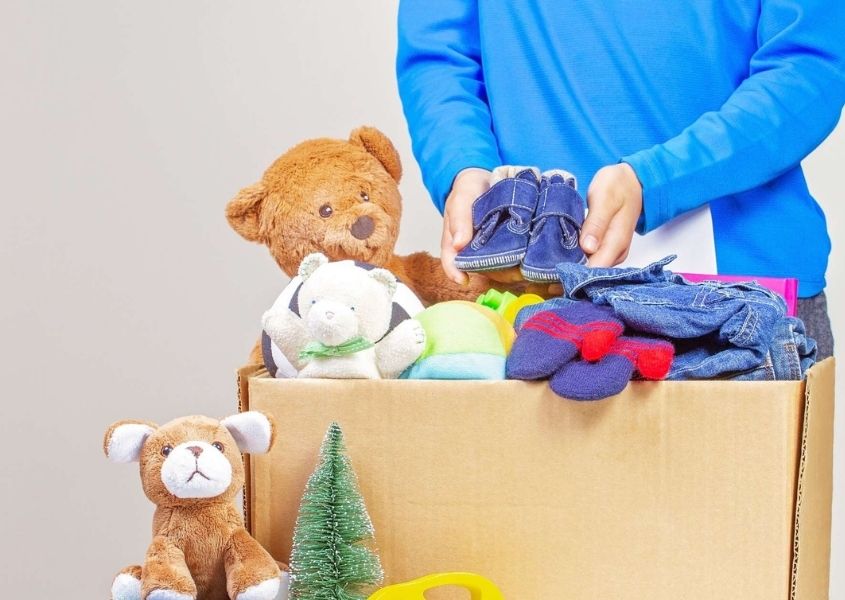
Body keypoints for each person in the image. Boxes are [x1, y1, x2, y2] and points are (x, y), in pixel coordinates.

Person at [396, 0, 844, 360]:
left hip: (740, 295)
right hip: (528, 287)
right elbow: (440, 57)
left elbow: (808, 67)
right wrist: (465, 167)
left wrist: (656, 179)